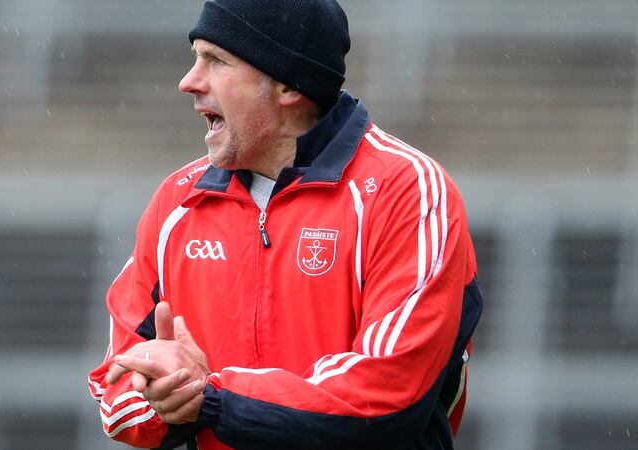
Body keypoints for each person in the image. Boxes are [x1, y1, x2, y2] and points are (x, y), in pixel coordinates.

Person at [88, 0, 483, 448]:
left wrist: (212, 397)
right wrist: (169, 396)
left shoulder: (407, 191)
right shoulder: (177, 202)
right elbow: (116, 388)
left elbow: (385, 397)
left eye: (216, 61)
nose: (188, 81)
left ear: (288, 87)